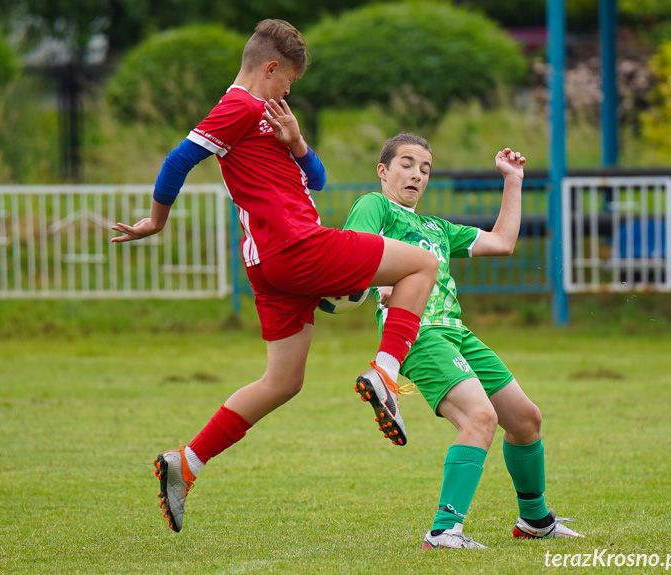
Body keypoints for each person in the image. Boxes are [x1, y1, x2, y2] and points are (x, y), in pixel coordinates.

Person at [111, 20, 439, 533]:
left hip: (269, 265)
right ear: (269, 69)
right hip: (295, 245)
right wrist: (156, 220)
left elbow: (318, 179)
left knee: (283, 381)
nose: (289, 90)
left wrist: (298, 143)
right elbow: (178, 160)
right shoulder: (240, 105)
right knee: (423, 262)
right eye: (287, 80)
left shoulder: (268, 117)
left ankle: (186, 463)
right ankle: (385, 372)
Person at [343, 133, 583, 548]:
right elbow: (353, 256)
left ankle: (535, 520)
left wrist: (513, 180)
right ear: (382, 171)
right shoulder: (375, 205)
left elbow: (503, 242)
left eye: (425, 168)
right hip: (416, 335)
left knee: (526, 421)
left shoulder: (437, 228)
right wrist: (377, 284)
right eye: (406, 163)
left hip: (457, 334)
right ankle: (443, 530)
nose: (417, 173)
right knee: (480, 418)